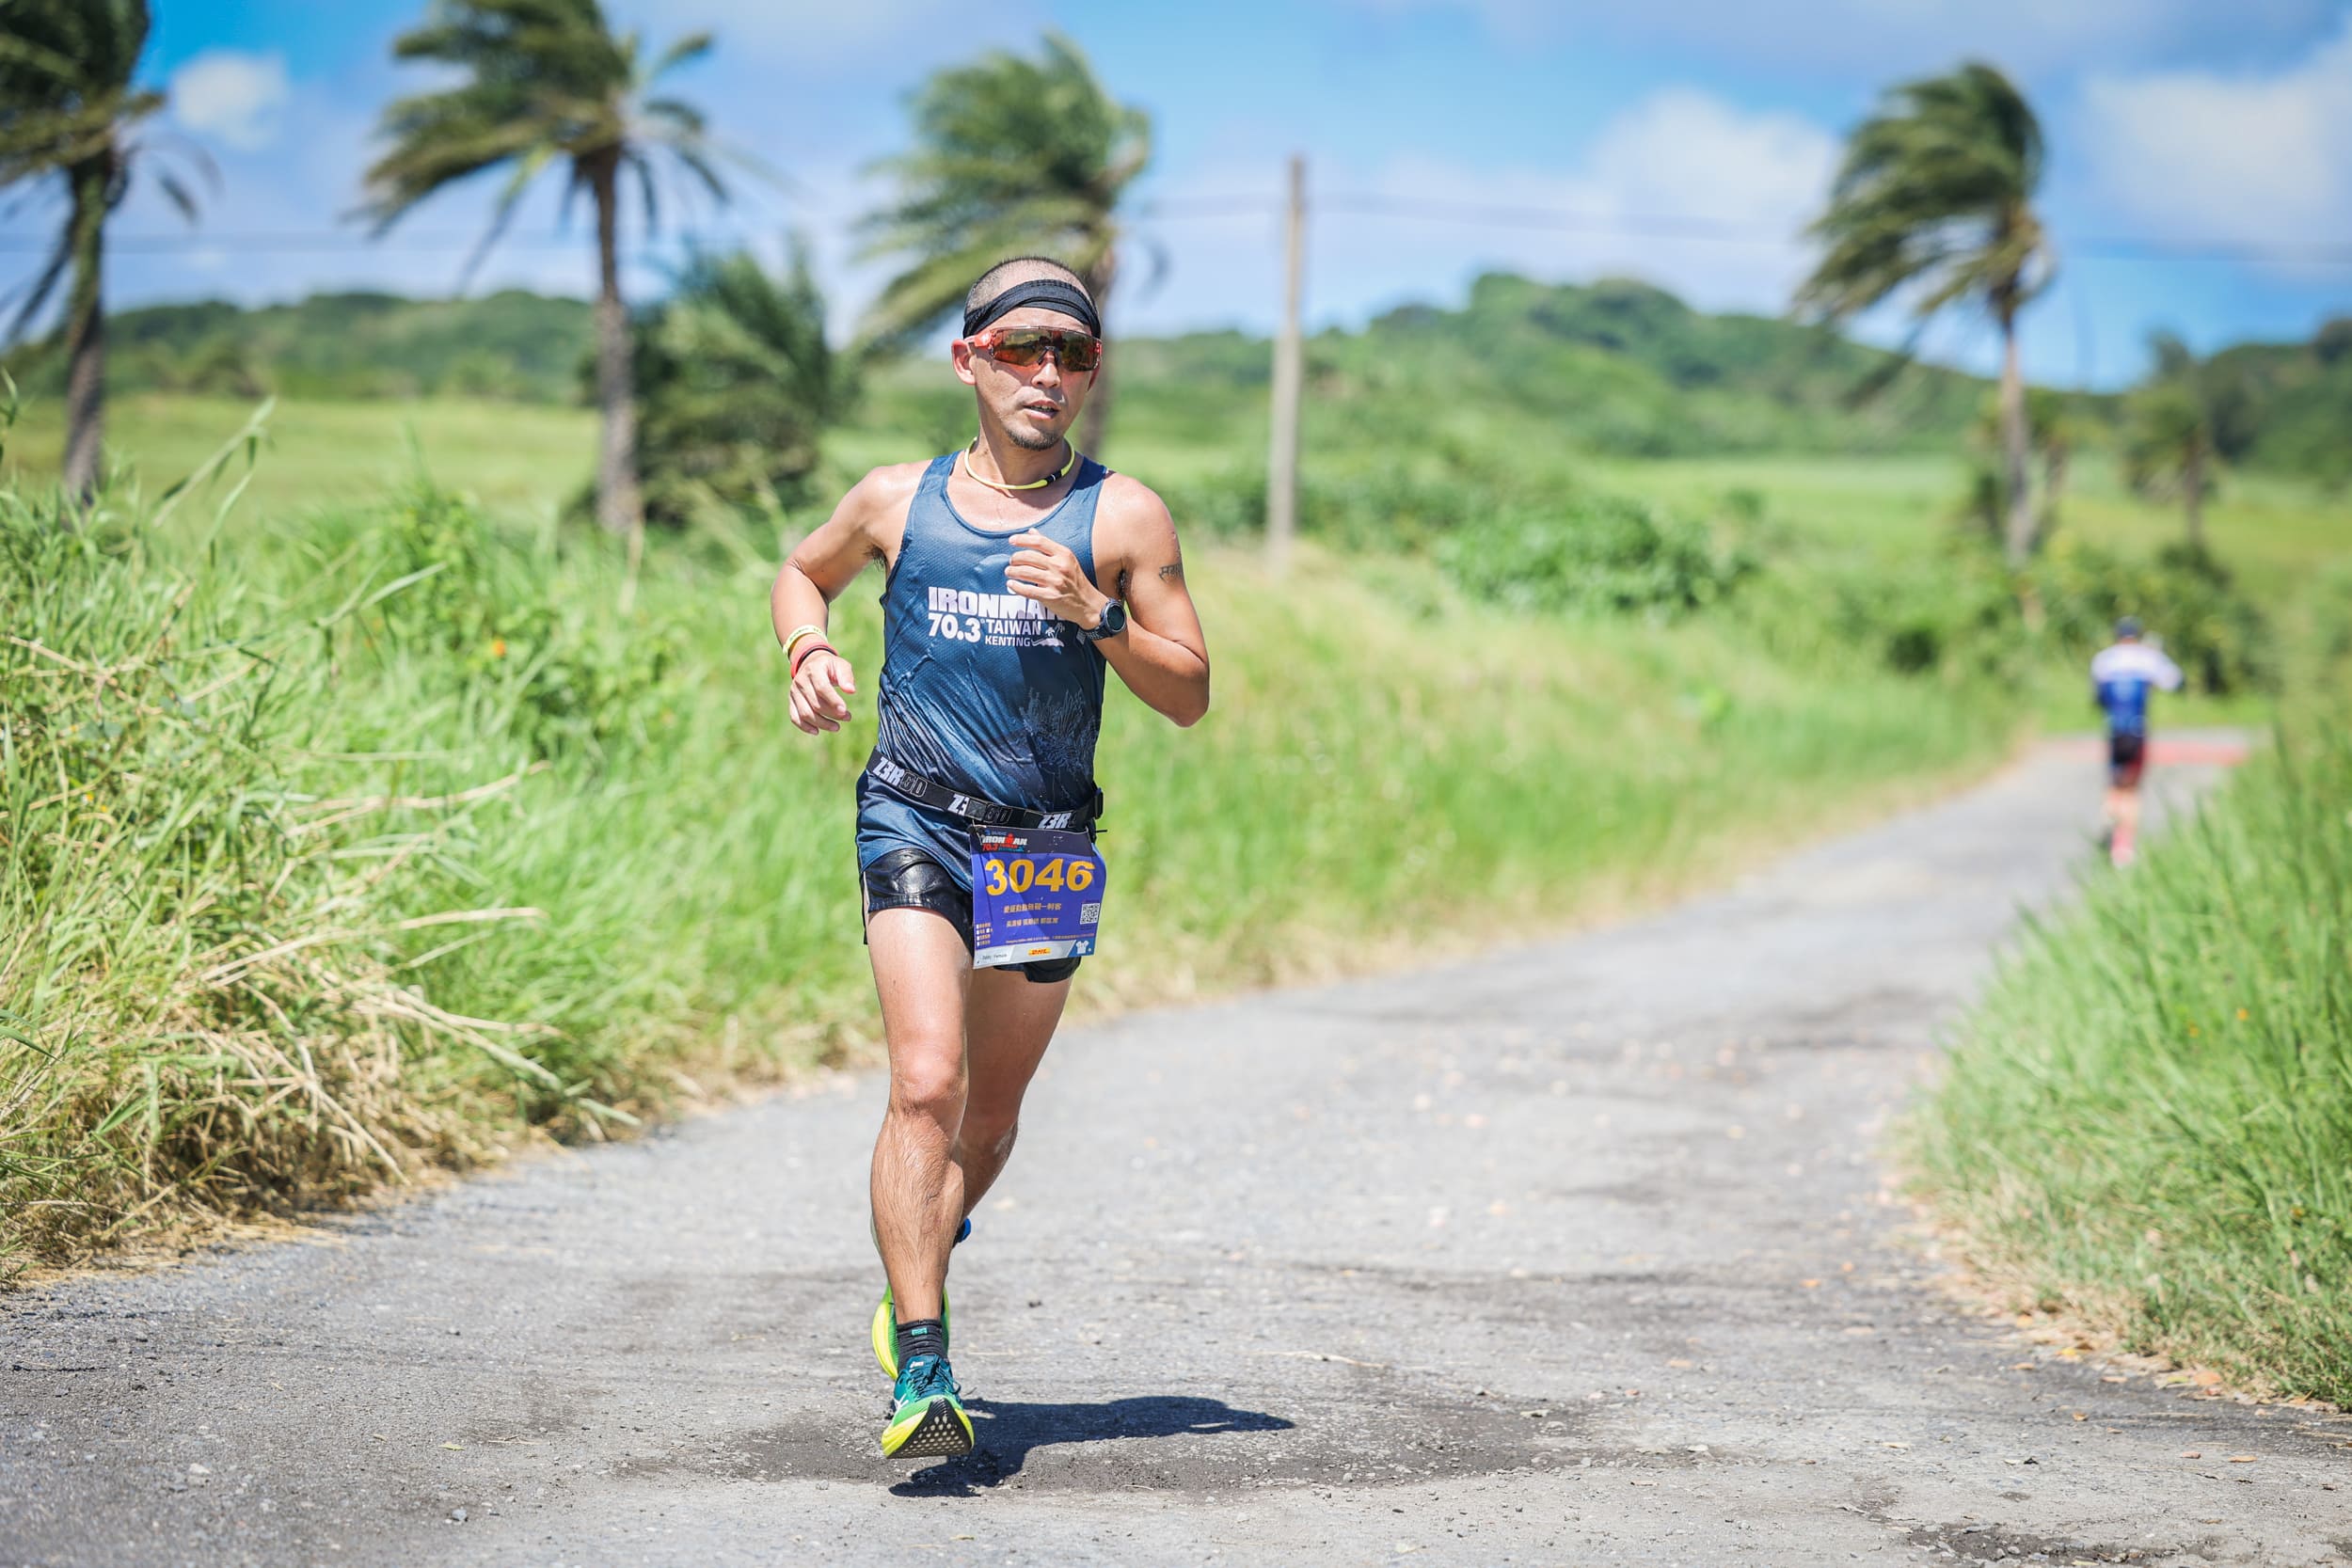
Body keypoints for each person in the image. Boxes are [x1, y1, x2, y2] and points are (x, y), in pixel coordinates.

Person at [769, 257, 1211, 1462]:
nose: (1048, 374)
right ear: (969, 360)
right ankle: (924, 1364)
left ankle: (920, 1247)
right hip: (913, 813)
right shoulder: (894, 499)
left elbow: (1191, 692)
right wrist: (806, 647)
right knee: (926, 1080)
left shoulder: (1123, 517)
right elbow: (801, 571)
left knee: (994, 1112)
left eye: (1072, 354)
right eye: (1022, 349)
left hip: (1047, 843)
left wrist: (1099, 614)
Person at [2090, 616, 2183, 867]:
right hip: (2137, 729)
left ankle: (2110, 810)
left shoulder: (2104, 659)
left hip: (2114, 729)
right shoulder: (2147, 657)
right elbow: (2175, 682)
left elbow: (2097, 699)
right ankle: (2123, 848)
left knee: (2115, 779)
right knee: (2132, 789)